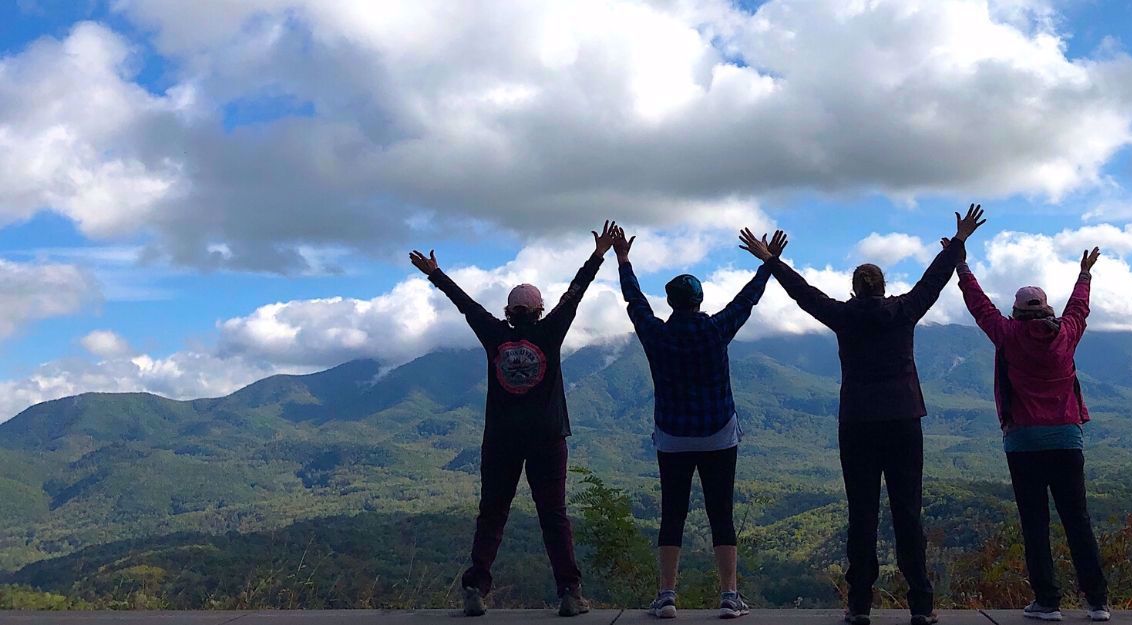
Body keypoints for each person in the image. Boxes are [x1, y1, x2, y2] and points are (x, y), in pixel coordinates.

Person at [743, 205, 987, 625]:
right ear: (882, 287)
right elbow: (932, 282)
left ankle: (859, 604)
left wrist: (772, 261)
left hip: (856, 423)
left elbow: (804, 294)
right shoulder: (904, 311)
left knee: (862, 514)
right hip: (904, 420)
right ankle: (922, 605)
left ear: (855, 290)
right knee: (908, 512)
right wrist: (959, 241)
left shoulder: (843, 316)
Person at [408, 221, 616, 619]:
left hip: (501, 438)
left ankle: (475, 585)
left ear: (508, 311)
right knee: (553, 515)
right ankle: (570, 592)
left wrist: (436, 274)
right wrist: (598, 255)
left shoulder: (493, 334)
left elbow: (466, 304)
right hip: (548, 438)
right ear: (539, 311)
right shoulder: (551, 331)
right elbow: (575, 294)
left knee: (493, 513)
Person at [608, 224, 784, 619]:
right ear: (700, 300)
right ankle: (729, 596)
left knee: (673, 513)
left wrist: (623, 260)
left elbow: (634, 302)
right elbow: (747, 301)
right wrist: (768, 263)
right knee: (720, 513)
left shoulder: (656, 334)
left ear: (670, 303)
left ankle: (667, 596)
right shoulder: (715, 330)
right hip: (719, 434)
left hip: (672, 436)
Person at [948, 239, 1111, 622]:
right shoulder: (1066, 334)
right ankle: (1097, 602)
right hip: (1067, 438)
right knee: (1078, 520)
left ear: (1016, 312)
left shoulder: (1006, 335)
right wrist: (1084, 274)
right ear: (1047, 308)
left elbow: (979, 306)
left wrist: (962, 266)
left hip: (1023, 442)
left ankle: (1048, 602)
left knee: (1035, 523)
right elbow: (1079, 308)